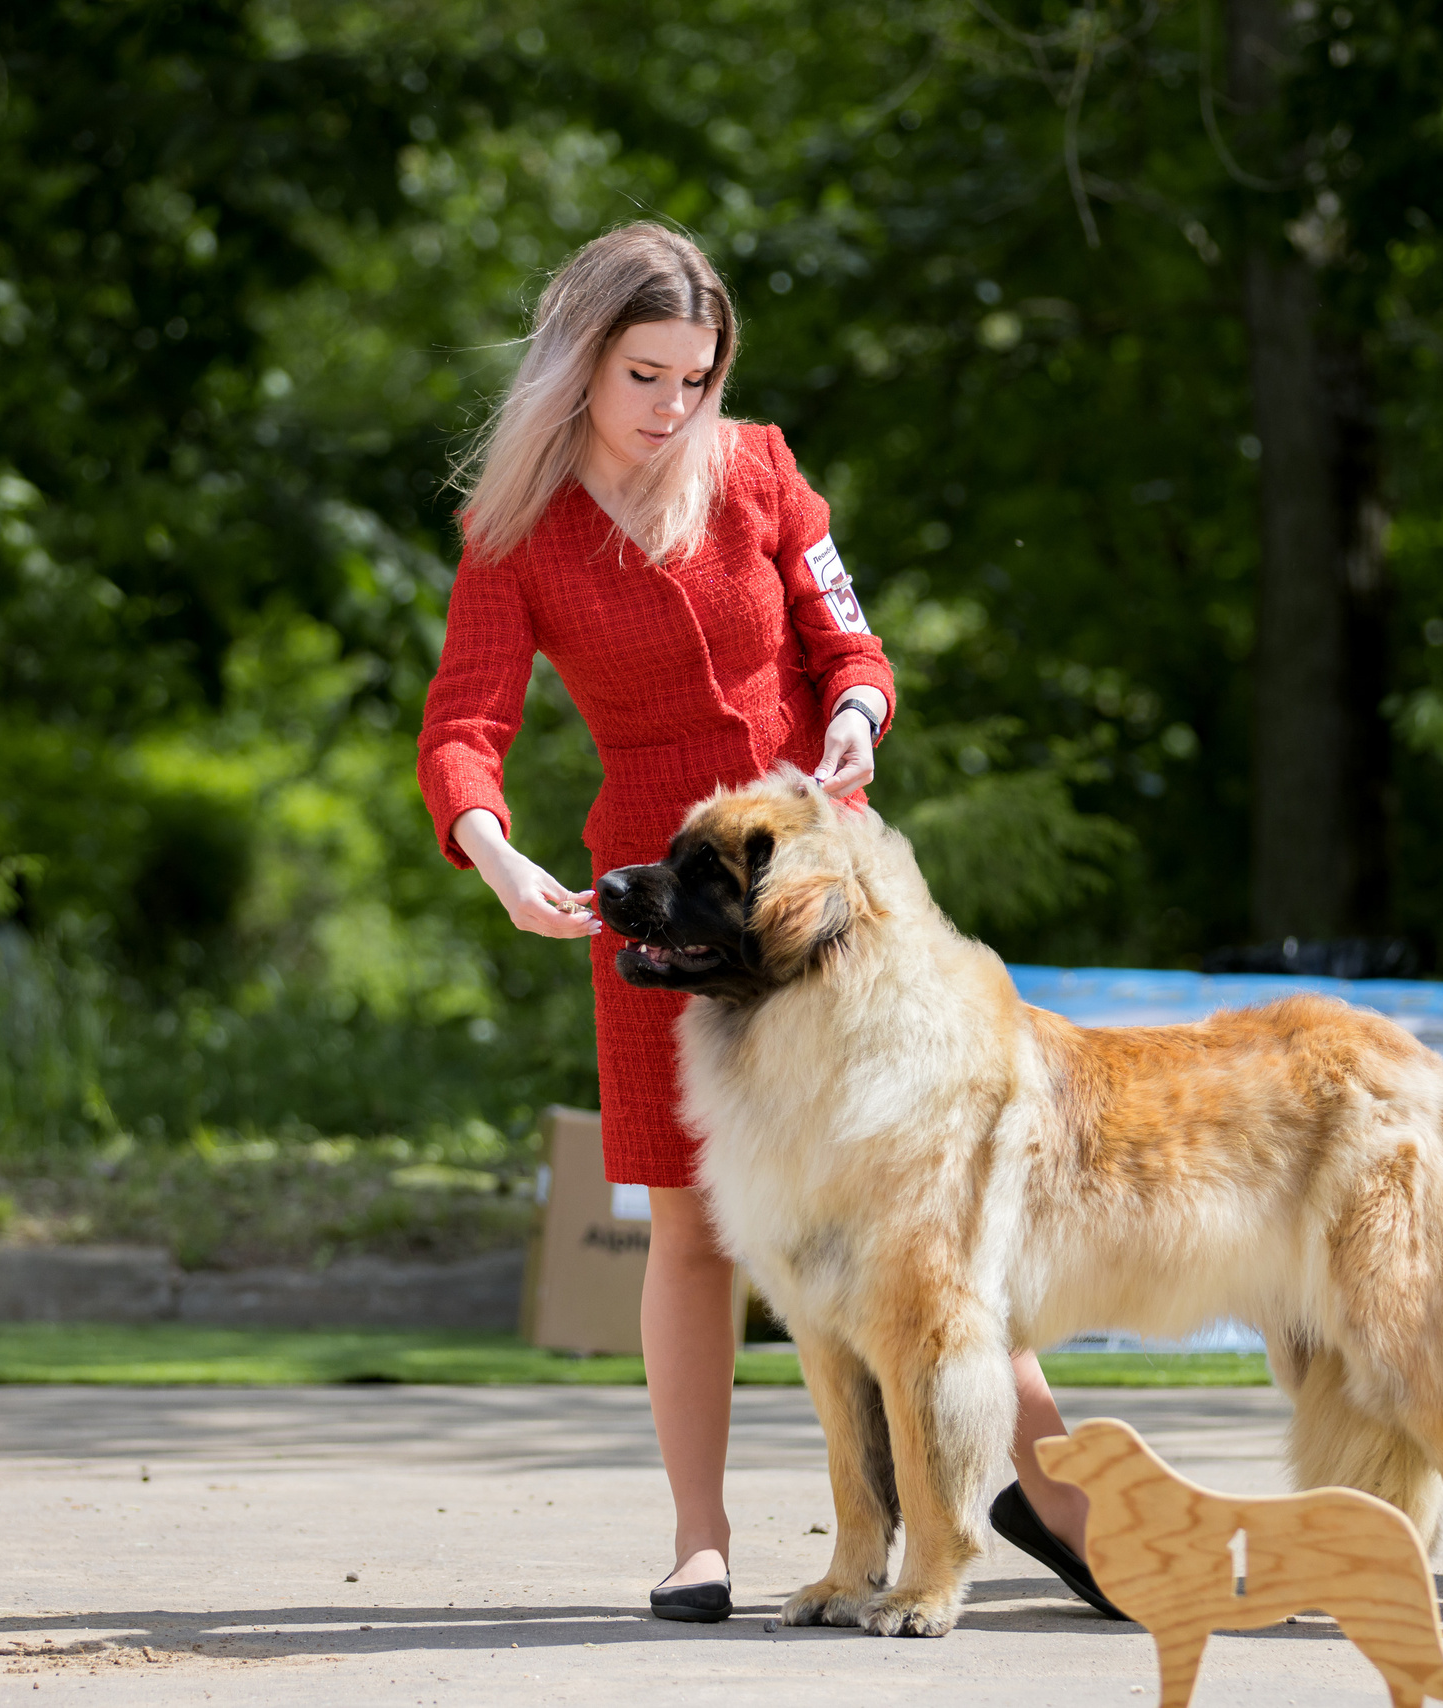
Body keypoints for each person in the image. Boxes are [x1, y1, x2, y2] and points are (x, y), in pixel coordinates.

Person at [416, 223, 1114, 1622]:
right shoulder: (518, 528)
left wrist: (856, 714)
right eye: (646, 375)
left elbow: (848, 642)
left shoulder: (761, 468)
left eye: (698, 374)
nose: (676, 406)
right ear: (579, 363)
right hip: (665, 897)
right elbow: (464, 726)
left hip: (816, 893)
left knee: (921, 1225)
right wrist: (495, 853)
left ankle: (1059, 1503)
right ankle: (701, 1539)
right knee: (687, 1227)